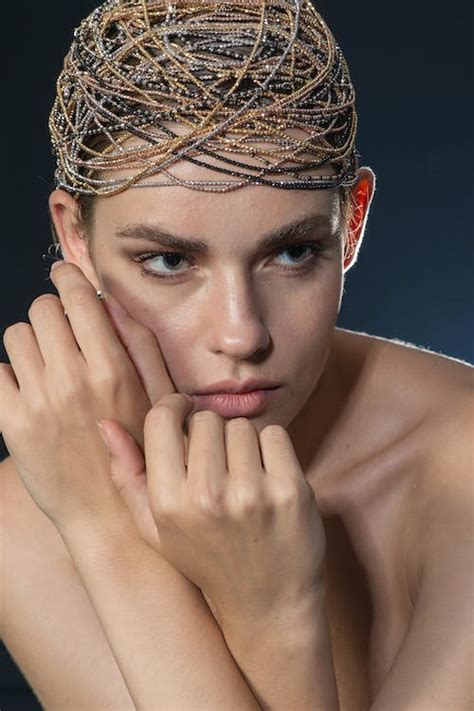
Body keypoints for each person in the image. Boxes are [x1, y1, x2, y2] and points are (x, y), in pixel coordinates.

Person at [0, 1, 472, 709]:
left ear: (353, 220)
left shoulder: (462, 467)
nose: (241, 333)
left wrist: (276, 614)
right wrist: (108, 529)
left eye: (291, 250)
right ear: (75, 238)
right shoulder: (28, 511)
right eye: (167, 260)